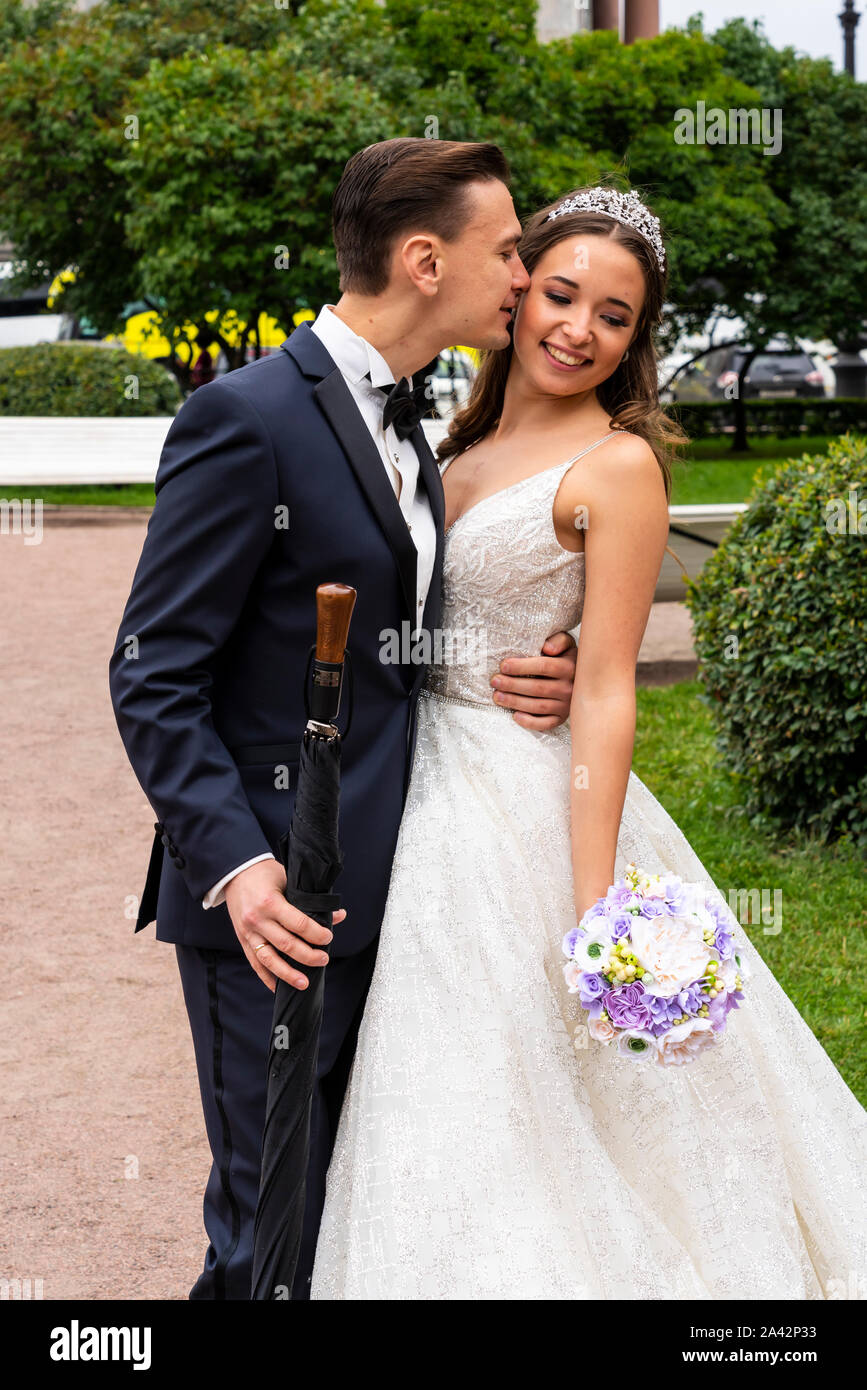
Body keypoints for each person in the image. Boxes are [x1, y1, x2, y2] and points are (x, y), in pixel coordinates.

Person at [310, 186, 867, 1300]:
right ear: (515, 296)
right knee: (443, 1083)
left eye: (614, 316)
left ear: (636, 339)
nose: (579, 329)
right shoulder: (441, 438)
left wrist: (595, 899)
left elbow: (608, 690)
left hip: (519, 799)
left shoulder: (617, 466)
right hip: (415, 778)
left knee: (525, 1072)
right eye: (560, 294)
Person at [108, 138, 583, 1300]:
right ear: (427, 260)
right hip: (275, 903)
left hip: (400, 889)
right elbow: (150, 668)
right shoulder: (247, 416)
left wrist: (540, 663)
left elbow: (395, 638)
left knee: (353, 1225)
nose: (524, 276)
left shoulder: (416, 422)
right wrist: (240, 872)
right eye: (510, 249)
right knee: (269, 1233)